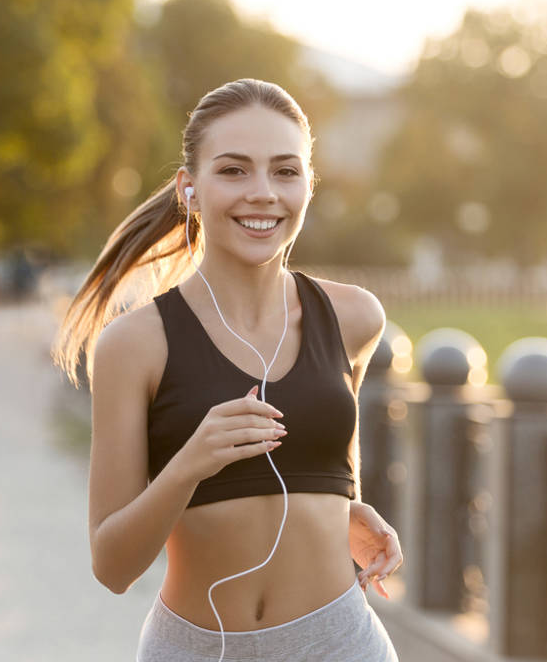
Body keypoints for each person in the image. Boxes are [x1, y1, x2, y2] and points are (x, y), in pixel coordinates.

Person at [53, 79, 401, 661]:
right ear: (190, 188)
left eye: (285, 172)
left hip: (341, 644)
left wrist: (346, 510)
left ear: (308, 186)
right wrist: (191, 462)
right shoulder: (134, 345)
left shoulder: (354, 318)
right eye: (234, 170)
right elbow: (112, 567)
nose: (263, 193)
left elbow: (334, 464)